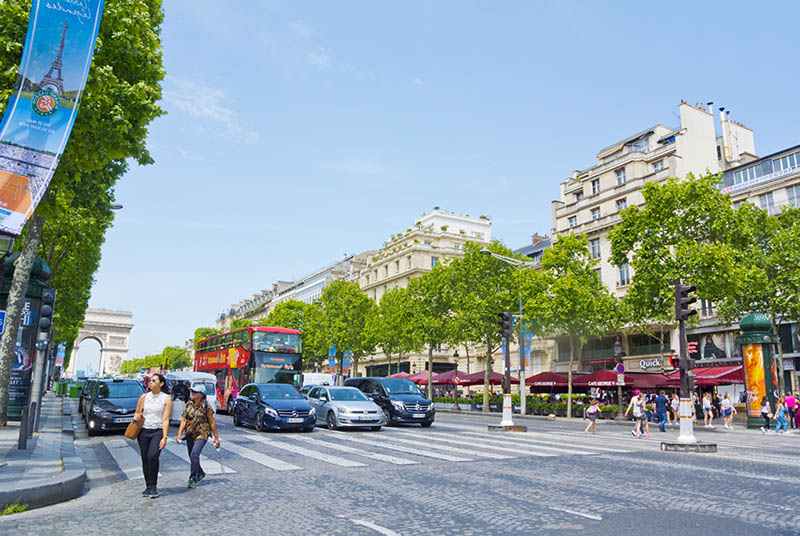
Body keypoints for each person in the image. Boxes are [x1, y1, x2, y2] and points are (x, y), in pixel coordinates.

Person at [134, 373, 172, 499]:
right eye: (150, 381)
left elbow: (166, 419)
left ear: (161, 383)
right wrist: (137, 416)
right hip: (144, 431)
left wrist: (165, 437)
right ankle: (148, 486)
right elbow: (138, 411)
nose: (150, 383)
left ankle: (154, 486)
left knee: (153, 456)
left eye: (154, 380)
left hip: (158, 431)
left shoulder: (166, 399)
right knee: (145, 458)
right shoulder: (144, 397)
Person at [176, 384, 221, 488]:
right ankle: (200, 472)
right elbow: (184, 420)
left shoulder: (206, 406)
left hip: (202, 433)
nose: (192, 394)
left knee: (195, 454)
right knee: (191, 456)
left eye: (195, 392)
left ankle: (193, 477)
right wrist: (179, 434)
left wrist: (216, 438)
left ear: (201, 394)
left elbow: (212, 423)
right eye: (192, 391)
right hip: (190, 433)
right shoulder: (188, 405)